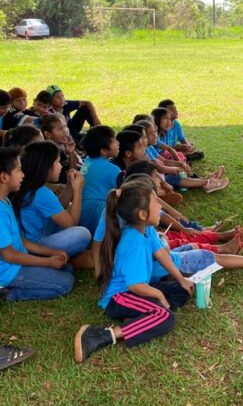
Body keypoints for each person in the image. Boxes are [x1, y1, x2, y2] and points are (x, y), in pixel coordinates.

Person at [74, 178, 194, 363]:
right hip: (119, 297)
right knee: (165, 317)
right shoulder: (134, 241)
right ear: (143, 214)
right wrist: (160, 297)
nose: (159, 206)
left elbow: (161, 253)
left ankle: (142, 318)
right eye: (155, 202)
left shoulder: (147, 231)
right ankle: (100, 335)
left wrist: (180, 279)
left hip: (136, 289)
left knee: (181, 291)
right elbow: (136, 286)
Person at [0, 147, 74, 302]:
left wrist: (51, 252)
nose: (23, 175)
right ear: (4, 177)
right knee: (66, 283)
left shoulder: (5, 200)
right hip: (8, 271)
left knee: (67, 268)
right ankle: (8, 293)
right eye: (19, 170)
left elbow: (22, 241)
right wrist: (47, 262)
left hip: (18, 260)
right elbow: (9, 255)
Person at [10, 141, 91, 258]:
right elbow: (71, 224)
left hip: (34, 236)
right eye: (57, 162)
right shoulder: (41, 193)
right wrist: (77, 190)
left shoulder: (32, 186)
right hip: (34, 247)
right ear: (45, 166)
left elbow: (57, 208)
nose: (61, 166)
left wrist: (69, 186)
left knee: (68, 210)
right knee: (83, 233)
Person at [80, 126, 121, 234]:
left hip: (82, 213)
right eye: (114, 141)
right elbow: (124, 191)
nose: (118, 143)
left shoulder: (87, 161)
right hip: (100, 214)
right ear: (103, 151)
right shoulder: (113, 170)